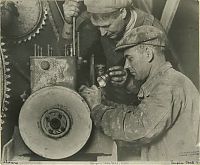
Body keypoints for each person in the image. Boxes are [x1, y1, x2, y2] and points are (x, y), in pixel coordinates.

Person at [79, 25, 200, 161]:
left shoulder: (169, 85)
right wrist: (101, 102)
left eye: (130, 58)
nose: (126, 66)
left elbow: (139, 129)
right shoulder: (163, 82)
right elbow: (138, 113)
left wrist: (97, 110)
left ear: (148, 54)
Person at [62, 0, 169, 105]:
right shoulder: (92, 18)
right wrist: (68, 23)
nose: (102, 33)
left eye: (106, 26)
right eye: (98, 27)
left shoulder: (152, 32)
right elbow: (62, 60)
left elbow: (160, 91)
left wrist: (129, 82)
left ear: (123, 12)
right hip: (105, 101)